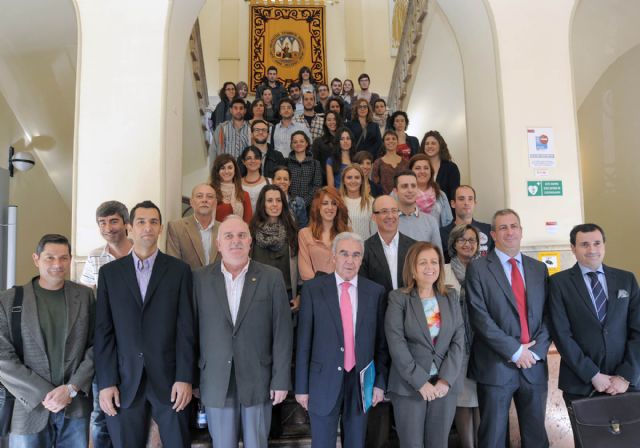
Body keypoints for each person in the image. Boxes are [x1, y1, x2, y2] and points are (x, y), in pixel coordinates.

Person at [95, 201, 195, 448]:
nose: (147, 227)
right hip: (125, 381)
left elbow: (186, 329)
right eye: (141, 222)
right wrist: (107, 382)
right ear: (130, 227)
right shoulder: (110, 273)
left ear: (160, 228)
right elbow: (104, 332)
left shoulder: (179, 271)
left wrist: (185, 377)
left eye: (153, 222)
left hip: (171, 381)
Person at [193, 215, 292, 448]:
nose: (235, 241)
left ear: (250, 241)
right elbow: (191, 333)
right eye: (228, 236)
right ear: (219, 243)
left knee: (257, 443)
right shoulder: (198, 279)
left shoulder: (271, 277)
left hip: (259, 379)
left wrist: (280, 380)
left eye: (241, 235)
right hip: (216, 380)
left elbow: (282, 333)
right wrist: (193, 378)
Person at [549, 223, 640, 448]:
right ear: (573, 248)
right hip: (581, 383)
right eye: (584, 244)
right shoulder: (558, 283)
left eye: (597, 243)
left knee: (630, 442)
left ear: (604, 245)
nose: (592, 249)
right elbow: (562, 334)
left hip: (626, 383)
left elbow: (638, 330)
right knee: (589, 443)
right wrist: (592, 374)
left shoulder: (626, 279)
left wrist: (625, 376)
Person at [466, 209, 551, 448]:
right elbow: (479, 317)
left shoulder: (538, 269)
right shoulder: (479, 268)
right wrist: (515, 351)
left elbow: (549, 315)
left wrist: (535, 352)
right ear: (493, 234)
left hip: (533, 367)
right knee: (493, 438)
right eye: (503, 228)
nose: (509, 232)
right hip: (495, 366)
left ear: (521, 231)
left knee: (536, 438)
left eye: (514, 226)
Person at [0, 234, 95, 448]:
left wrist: (71, 389)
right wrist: (47, 394)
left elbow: (96, 346)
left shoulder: (85, 296)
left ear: (70, 260)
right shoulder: (9, 300)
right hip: (28, 408)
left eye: (63, 258)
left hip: (75, 406)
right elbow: (3, 357)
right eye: (50, 258)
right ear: (36, 259)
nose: (57, 264)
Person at [295, 232, 388, 448]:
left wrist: (380, 384)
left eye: (356, 255)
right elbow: (303, 343)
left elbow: (381, 345)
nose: (350, 260)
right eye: (344, 253)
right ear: (333, 257)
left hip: (360, 383)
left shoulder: (375, 292)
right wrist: (301, 387)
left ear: (361, 259)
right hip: (322, 381)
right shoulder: (312, 290)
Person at [385, 241, 464, 448]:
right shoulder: (398, 298)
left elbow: (458, 339)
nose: (430, 267)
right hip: (410, 387)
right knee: (412, 444)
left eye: (434, 262)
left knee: (439, 443)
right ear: (412, 268)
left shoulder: (451, 296)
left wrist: (446, 380)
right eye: (423, 263)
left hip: (443, 386)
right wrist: (420, 381)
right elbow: (396, 343)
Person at [358, 195, 415, 448]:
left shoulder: (415, 248)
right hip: (376, 331)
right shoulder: (364, 249)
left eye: (394, 211)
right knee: (377, 396)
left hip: (411, 331)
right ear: (374, 217)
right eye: (384, 212)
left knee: (409, 397)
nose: (390, 216)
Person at [79, 201, 132, 448]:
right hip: (106, 341)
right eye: (102, 222)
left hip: (135, 341)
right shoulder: (94, 257)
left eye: (113, 221)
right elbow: (88, 299)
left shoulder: (141, 252)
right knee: (101, 414)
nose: (108, 228)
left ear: (125, 223)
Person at [444, 224, 481, 448]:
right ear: (453, 244)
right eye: (462, 240)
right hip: (455, 346)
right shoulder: (444, 270)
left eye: (472, 240)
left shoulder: (485, 269)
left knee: (480, 402)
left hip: (482, 344)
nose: (467, 244)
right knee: (462, 401)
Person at [250, 185, 301, 309]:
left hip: (287, 296)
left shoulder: (292, 230)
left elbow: (299, 267)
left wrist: (299, 295)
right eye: (269, 200)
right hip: (257, 297)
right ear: (262, 204)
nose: (275, 204)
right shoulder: (250, 232)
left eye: (278, 200)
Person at [297, 186, 350, 281]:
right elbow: (305, 271)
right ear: (317, 207)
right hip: (315, 289)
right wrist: (323, 287)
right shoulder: (304, 234)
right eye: (325, 203)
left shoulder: (347, 233)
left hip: (342, 289)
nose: (330, 208)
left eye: (334, 203)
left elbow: (350, 266)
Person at [166, 183, 220, 269]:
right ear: (191, 202)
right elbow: (173, 265)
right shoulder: (176, 227)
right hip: (188, 281)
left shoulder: (224, 229)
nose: (204, 200)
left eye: (209, 197)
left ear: (215, 203)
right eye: (199, 196)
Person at [440, 185, 493, 263]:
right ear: (453, 203)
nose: (466, 203)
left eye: (470, 199)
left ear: (475, 203)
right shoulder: (442, 233)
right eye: (461, 199)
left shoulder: (488, 230)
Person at [394, 170, 442, 250]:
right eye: (404, 186)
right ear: (395, 191)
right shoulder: (388, 221)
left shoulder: (431, 221)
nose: (410, 190)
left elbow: (438, 256)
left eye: (413, 186)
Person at [409, 154, 453, 227]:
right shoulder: (402, 193)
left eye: (426, 168)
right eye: (417, 168)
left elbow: (449, 222)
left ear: (431, 172)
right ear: (410, 171)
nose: (422, 171)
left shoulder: (441, 195)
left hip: (437, 237)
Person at [420, 130, 460, 204]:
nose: (429, 146)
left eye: (433, 143)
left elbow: (454, 195)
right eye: (427, 144)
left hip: (445, 211)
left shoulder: (451, 168)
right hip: (422, 212)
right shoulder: (418, 168)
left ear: (440, 146)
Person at [210, 154, 252, 223]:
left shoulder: (244, 195)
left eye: (230, 168)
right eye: (222, 168)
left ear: (235, 171)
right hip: (215, 233)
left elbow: (248, 224)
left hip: (238, 232)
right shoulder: (210, 192)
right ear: (217, 171)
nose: (226, 171)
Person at [285, 131, 322, 209]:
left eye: (302, 141)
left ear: (307, 143)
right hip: (289, 205)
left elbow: (317, 186)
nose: (298, 144)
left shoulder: (315, 163)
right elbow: (283, 183)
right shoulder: (286, 162)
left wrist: (304, 202)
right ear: (291, 145)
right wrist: (291, 201)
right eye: (295, 142)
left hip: (309, 207)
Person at [339, 164, 376, 240]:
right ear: (343, 181)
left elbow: (374, 231)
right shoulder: (338, 201)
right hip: (342, 248)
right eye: (349, 177)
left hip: (366, 248)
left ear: (362, 180)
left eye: (357, 177)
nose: (353, 181)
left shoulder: (371, 202)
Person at [209, 98, 251, 162]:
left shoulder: (251, 128)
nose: (238, 111)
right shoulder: (221, 128)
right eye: (235, 108)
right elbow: (213, 151)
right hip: (227, 169)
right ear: (231, 110)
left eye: (241, 108)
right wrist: (213, 171)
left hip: (245, 169)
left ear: (245, 111)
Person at [372, 131, 409, 195]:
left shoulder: (405, 162)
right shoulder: (378, 162)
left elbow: (408, 181)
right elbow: (375, 184)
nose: (391, 141)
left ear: (397, 142)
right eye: (387, 139)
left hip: (403, 198)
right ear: (383, 143)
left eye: (393, 139)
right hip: (385, 200)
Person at [311, 111, 342, 182]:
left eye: (334, 119)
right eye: (329, 120)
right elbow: (315, 164)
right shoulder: (318, 142)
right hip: (324, 180)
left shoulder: (345, 139)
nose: (332, 122)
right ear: (325, 123)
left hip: (343, 178)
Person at [240, 146, 270, 212]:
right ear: (243, 161)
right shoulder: (237, 184)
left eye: (256, 158)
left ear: (261, 160)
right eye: (249, 158)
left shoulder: (270, 182)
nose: (253, 161)